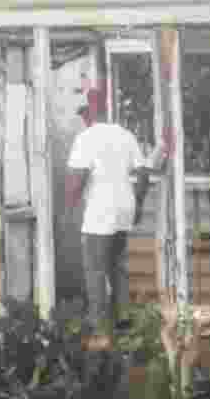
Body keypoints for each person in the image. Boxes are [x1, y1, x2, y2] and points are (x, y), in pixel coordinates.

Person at [65, 86, 171, 348]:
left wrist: (68, 208)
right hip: (124, 207)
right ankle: (124, 320)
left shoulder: (86, 137)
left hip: (100, 212)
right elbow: (144, 172)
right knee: (116, 266)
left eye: (83, 114)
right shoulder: (124, 135)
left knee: (95, 269)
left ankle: (100, 331)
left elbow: (75, 181)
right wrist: (137, 204)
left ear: (89, 113)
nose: (83, 119)